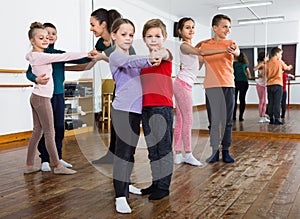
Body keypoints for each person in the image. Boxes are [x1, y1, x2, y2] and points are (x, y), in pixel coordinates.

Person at [26, 22, 100, 172]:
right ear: (33, 40)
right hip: (44, 96)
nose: (48, 38)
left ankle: (52, 159)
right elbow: (31, 71)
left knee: (55, 128)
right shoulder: (43, 55)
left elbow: (70, 57)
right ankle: (49, 161)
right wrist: (36, 79)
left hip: (53, 94)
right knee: (48, 131)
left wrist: (91, 55)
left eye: (51, 35)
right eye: (44, 36)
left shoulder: (45, 54)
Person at [108, 18, 162, 214]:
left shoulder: (132, 57)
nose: (128, 38)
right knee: (123, 154)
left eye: (131, 34)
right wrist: (148, 59)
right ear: (114, 35)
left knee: (129, 152)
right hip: (123, 110)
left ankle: (125, 185)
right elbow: (129, 61)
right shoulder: (116, 56)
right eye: (124, 34)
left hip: (135, 111)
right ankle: (120, 196)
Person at [88, 8, 136, 165]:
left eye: (93, 24)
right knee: (116, 122)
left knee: (126, 125)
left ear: (103, 24)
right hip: (120, 86)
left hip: (132, 86)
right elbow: (89, 62)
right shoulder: (101, 42)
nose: (91, 28)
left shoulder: (120, 38)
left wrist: (102, 56)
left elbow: (125, 61)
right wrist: (65, 65)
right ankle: (112, 155)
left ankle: (125, 158)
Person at [138, 18, 174, 200]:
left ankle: (164, 186)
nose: (153, 39)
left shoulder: (165, 56)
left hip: (162, 107)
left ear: (164, 37)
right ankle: (156, 183)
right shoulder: (143, 62)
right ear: (144, 39)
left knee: (164, 148)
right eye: (149, 36)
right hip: (146, 108)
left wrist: (160, 53)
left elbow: (165, 54)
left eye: (157, 36)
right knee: (153, 150)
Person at [199, 14, 240, 163]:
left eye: (229, 27)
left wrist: (233, 51)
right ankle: (214, 151)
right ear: (215, 28)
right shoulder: (205, 46)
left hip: (228, 85)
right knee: (214, 121)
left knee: (227, 121)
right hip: (211, 86)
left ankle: (226, 150)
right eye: (224, 26)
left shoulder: (231, 42)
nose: (228, 30)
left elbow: (237, 52)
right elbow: (199, 60)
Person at [173, 17, 203, 166]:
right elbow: (199, 50)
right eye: (187, 27)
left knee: (180, 119)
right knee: (188, 120)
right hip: (182, 84)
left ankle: (178, 154)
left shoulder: (193, 49)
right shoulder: (184, 45)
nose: (191, 30)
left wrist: (203, 54)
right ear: (180, 31)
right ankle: (188, 154)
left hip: (183, 83)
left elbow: (198, 64)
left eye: (192, 27)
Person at [266, 47, 293, 125]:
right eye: (280, 54)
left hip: (269, 85)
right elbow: (286, 68)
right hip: (278, 84)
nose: (281, 55)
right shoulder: (280, 62)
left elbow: (264, 73)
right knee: (277, 103)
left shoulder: (267, 63)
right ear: (277, 53)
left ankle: (271, 119)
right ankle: (277, 119)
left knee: (270, 102)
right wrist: (290, 67)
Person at [233, 52, 252, 121]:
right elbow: (249, 76)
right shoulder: (245, 64)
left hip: (235, 82)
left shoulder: (233, 64)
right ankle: (241, 116)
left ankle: (233, 116)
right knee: (242, 99)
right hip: (244, 82)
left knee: (234, 100)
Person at [253, 52, 270, 123]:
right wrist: (263, 61)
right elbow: (254, 69)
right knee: (262, 101)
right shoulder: (262, 64)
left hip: (265, 85)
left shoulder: (267, 65)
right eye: (267, 57)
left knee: (264, 101)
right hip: (260, 85)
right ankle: (261, 116)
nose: (269, 58)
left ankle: (263, 115)